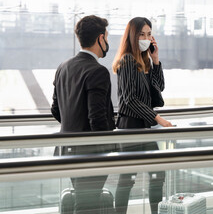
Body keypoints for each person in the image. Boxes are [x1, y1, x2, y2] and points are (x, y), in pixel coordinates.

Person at [51, 15, 115, 214]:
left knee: (83, 201)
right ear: (100, 39)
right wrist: (111, 147)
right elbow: (97, 119)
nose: (108, 42)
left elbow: (55, 109)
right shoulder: (98, 71)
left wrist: (74, 125)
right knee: (88, 205)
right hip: (91, 152)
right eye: (107, 37)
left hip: (68, 149)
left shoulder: (64, 66)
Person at [112, 17, 173, 214]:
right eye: (142, 34)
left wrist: (156, 62)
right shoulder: (128, 60)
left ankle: (156, 211)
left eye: (149, 34)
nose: (146, 38)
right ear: (133, 36)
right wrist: (158, 118)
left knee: (157, 173)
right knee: (127, 177)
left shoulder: (144, 61)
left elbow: (159, 89)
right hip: (130, 125)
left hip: (144, 125)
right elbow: (129, 99)